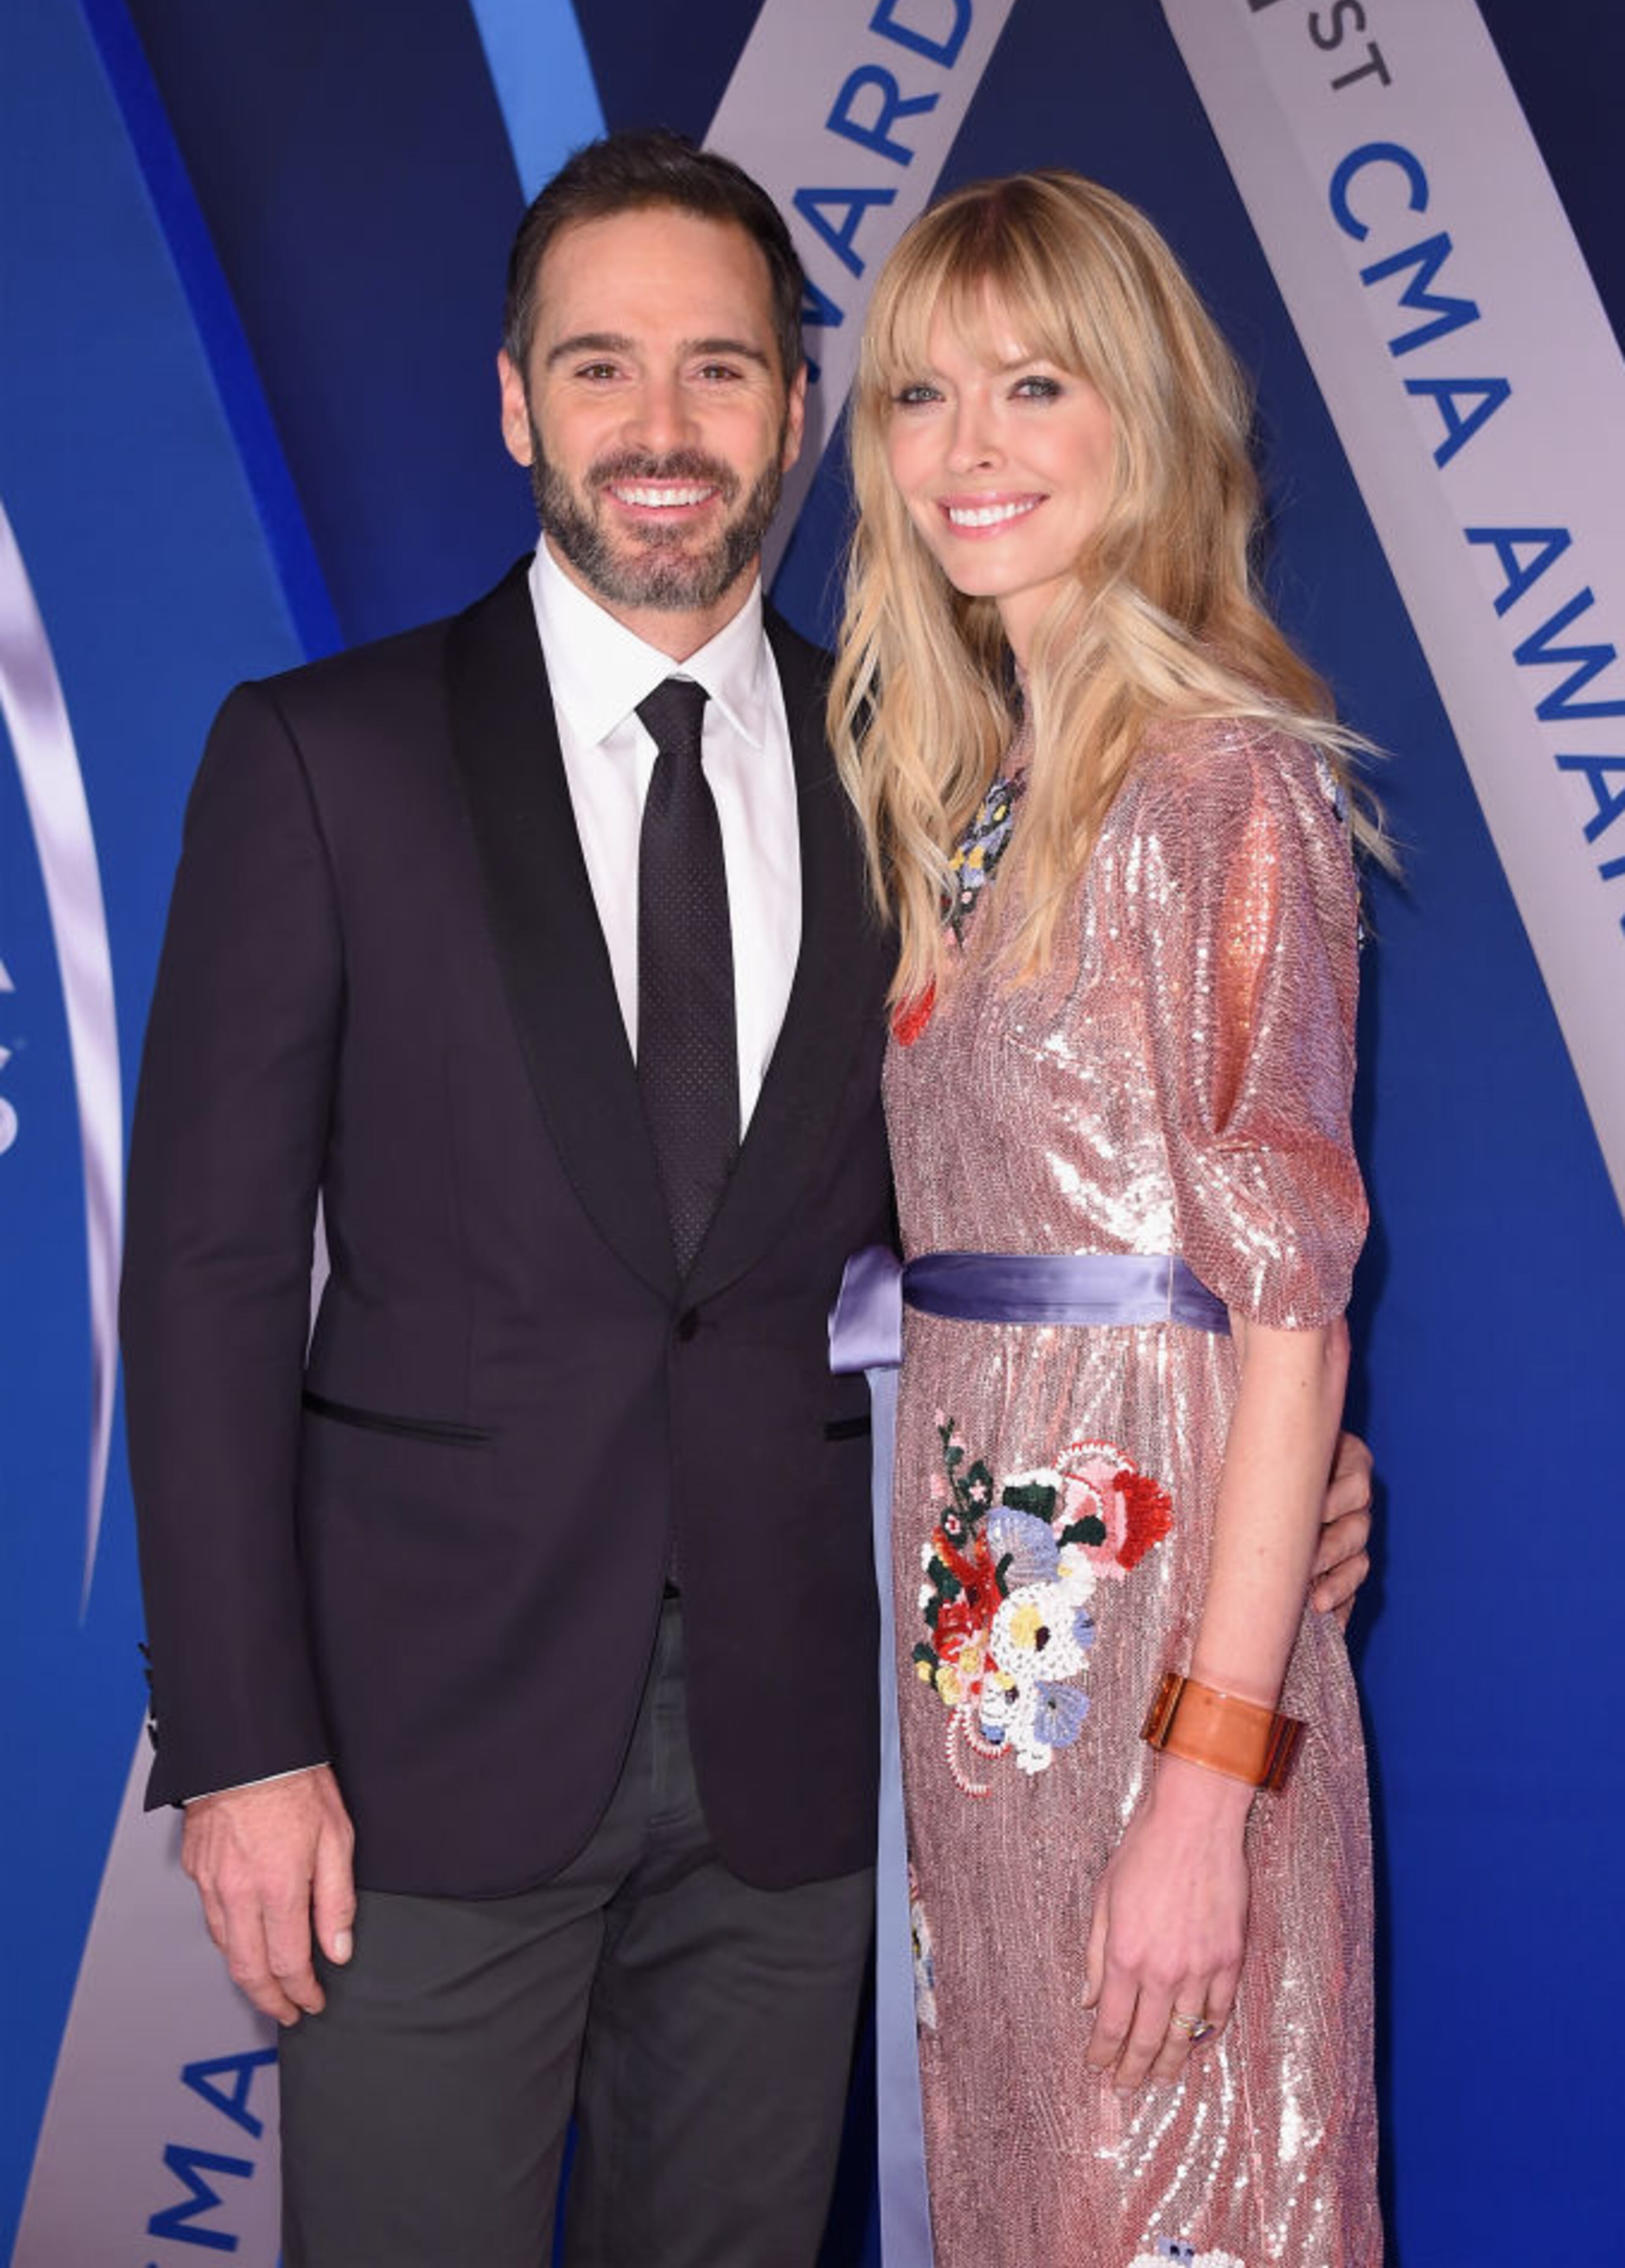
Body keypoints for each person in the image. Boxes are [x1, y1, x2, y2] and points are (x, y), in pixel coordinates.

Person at [121, 132, 1375, 2268]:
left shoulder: (919, 762)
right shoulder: (324, 757)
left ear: (793, 418)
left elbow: (1107, 1213)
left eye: (722, 370)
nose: (664, 427)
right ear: (517, 404)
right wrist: (240, 1745)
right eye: (601, 369)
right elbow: (212, 1277)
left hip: (825, 1758)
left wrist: (1258, 1497)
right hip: (426, 1760)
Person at [829, 170, 1383, 2265]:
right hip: (991, 1651)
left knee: (1189, 2201)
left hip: (1155, 1667)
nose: (965, 452)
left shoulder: (1225, 779)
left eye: (1030, 387)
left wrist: (1212, 1787)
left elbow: (1286, 1309)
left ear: (1138, 418)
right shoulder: (965, 788)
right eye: (917, 397)